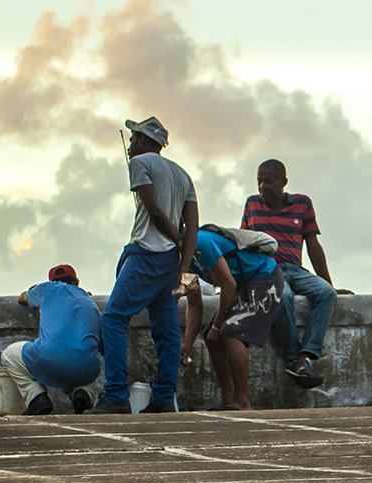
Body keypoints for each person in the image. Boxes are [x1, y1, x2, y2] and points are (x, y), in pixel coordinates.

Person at [90, 116, 199, 415]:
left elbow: (152, 208)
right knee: (165, 328)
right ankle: (164, 396)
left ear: (146, 142)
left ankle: (116, 396)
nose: (130, 144)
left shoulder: (140, 164)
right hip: (170, 263)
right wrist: (184, 265)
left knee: (113, 318)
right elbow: (194, 226)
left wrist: (174, 238)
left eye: (135, 137)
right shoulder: (183, 174)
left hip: (146, 253)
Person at [240, 159, 352, 388]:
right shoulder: (252, 204)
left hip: (295, 268)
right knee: (284, 297)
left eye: (269, 181)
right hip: (269, 269)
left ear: (283, 182)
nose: (263, 187)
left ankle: (306, 356)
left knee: (327, 294)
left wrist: (327, 282)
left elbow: (313, 245)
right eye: (259, 181)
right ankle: (292, 357)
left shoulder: (302, 204)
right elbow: (243, 243)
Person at [179, 226, 284, 411]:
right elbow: (194, 304)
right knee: (211, 339)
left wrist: (217, 327)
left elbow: (228, 285)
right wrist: (186, 346)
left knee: (231, 332)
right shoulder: (181, 258)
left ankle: (242, 401)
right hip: (243, 284)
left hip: (264, 278)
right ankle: (228, 400)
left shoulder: (201, 243)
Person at [4, 264, 102, 416]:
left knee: (8, 355)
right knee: (86, 356)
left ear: (52, 281)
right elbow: (103, 346)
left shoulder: (47, 289)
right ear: (77, 281)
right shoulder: (90, 303)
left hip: (49, 362)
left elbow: (22, 299)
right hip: (85, 371)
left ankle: (36, 397)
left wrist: (33, 290)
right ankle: (83, 393)